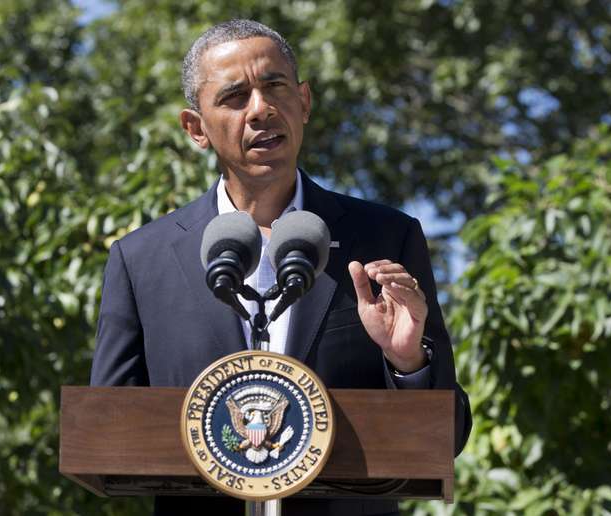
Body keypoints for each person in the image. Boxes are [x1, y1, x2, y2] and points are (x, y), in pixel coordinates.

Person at [91, 19, 471, 516]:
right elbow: (104, 429)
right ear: (195, 128)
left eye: (275, 87)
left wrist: (408, 363)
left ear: (305, 102)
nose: (261, 109)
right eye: (233, 97)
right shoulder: (141, 259)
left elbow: (449, 435)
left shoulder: (383, 238)